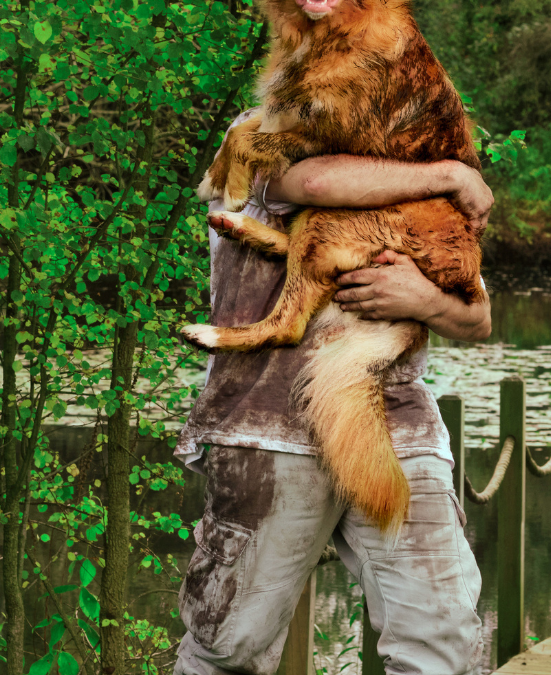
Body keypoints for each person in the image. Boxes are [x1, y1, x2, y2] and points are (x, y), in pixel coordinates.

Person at [173, 140, 494, 675]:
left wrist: (423, 299)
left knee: (443, 642)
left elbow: (476, 317)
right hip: (268, 427)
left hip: (399, 427)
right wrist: (451, 174)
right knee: (230, 646)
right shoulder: (257, 134)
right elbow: (317, 184)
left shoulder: (412, 161)